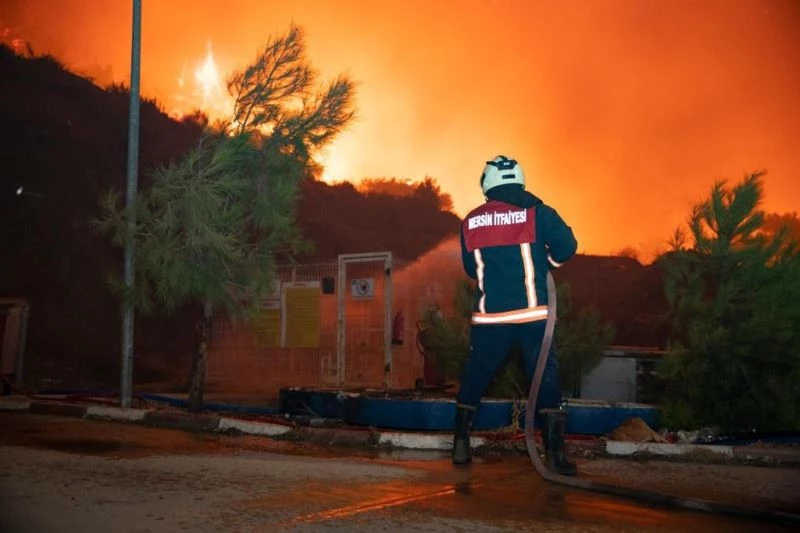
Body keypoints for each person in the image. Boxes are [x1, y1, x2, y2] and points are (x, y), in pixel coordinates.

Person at [454, 155, 578, 475]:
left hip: (489, 319)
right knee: (545, 379)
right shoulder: (538, 213)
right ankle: (554, 456)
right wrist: (544, 263)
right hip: (532, 317)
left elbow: (471, 269)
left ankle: (460, 444)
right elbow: (567, 247)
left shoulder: (471, 221)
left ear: (487, 184)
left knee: (476, 377)